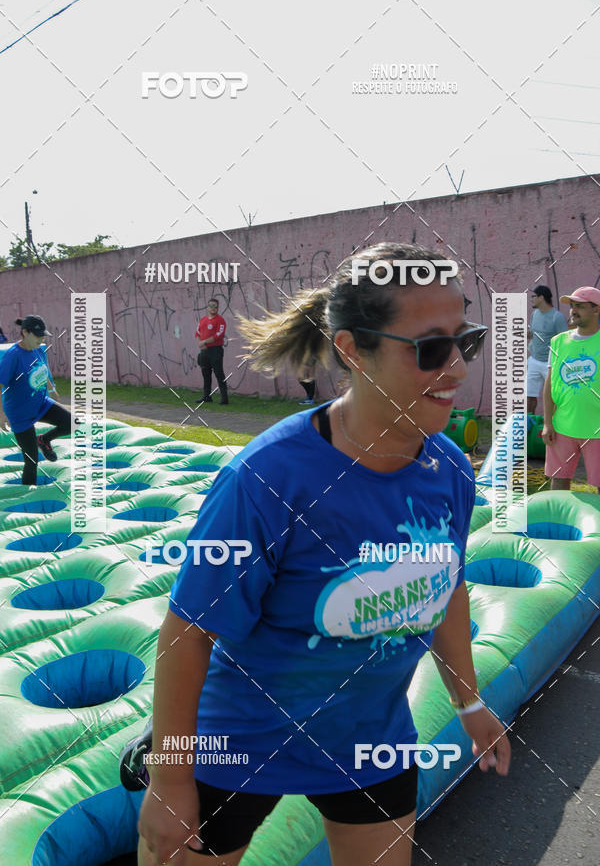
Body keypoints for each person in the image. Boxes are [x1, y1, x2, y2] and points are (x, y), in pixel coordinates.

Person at [137, 243, 510, 866]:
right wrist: (170, 778)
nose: (458, 369)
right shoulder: (268, 479)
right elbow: (188, 631)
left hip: (370, 744)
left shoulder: (448, 467)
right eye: (430, 348)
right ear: (349, 349)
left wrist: (468, 702)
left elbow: (447, 588)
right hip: (237, 742)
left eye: (464, 340)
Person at [0, 315, 71, 485]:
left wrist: (51, 388)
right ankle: (26, 497)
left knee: (71, 422)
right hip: (20, 414)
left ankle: (44, 439)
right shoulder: (13, 356)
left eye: (43, 334)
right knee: (31, 461)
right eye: (38, 335)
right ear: (25, 332)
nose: (42, 338)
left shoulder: (38, 349)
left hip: (41, 404)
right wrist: (1, 414)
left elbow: (42, 369)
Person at [542, 286, 600, 491]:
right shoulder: (558, 342)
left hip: (597, 430)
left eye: (580, 307)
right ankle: (556, 523)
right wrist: (548, 423)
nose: (573, 310)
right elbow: (549, 385)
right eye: (572, 306)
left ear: (596, 310)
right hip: (562, 427)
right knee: (558, 482)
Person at [527, 285, 568, 414]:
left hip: (550, 364)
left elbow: (564, 341)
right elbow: (535, 334)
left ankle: (554, 425)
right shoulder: (534, 314)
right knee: (529, 395)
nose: (531, 299)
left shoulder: (557, 317)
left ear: (541, 297)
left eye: (533, 296)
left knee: (553, 397)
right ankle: (529, 423)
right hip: (533, 361)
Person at [195, 299, 228, 405]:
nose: (213, 308)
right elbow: (197, 333)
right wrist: (200, 343)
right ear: (208, 307)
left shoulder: (220, 320)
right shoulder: (203, 320)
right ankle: (206, 396)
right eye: (211, 306)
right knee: (206, 373)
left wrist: (204, 341)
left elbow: (218, 335)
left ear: (218, 308)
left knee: (219, 373)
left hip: (215, 350)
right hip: (204, 351)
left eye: (216, 306)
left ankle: (224, 398)